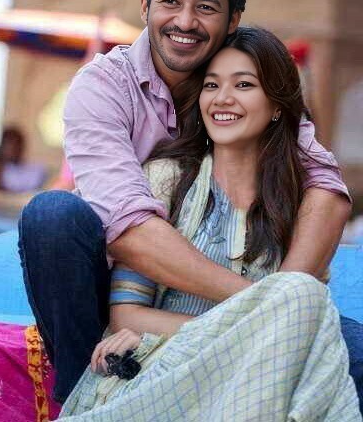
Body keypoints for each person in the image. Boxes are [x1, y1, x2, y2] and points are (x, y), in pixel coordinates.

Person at [18, 0, 361, 407]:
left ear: (233, 19)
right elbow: (129, 229)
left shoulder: (248, 77)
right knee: (53, 215)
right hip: (121, 297)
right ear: (145, 6)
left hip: (245, 301)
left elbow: (326, 185)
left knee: (352, 353)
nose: (185, 21)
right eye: (170, 1)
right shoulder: (104, 88)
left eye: (206, 7)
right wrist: (268, 309)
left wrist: (289, 305)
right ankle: (81, 394)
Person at [58, 27, 361, 420]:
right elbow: (127, 315)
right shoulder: (166, 179)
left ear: (276, 106)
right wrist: (241, 331)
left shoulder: (300, 201)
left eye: (243, 85)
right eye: (212, 85)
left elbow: (300, 315)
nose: (222, 98)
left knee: (301, 297)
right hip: (172, 365)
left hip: (261, 373)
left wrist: (258, 329)